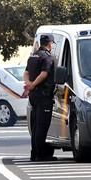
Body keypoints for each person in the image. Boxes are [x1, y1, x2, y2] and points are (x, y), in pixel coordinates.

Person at [24, 34, 56, 162]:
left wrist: (29, 84)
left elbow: (26, 73)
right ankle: (41, 155)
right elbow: (44, 74)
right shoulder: (48, 58)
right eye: (52, 43)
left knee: (35, 125)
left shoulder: (33, 56)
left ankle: (34, 153)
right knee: (42, 126)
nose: (52, 46)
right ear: (49, 44)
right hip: (43, 95)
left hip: (33, 95)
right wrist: (33, 84)